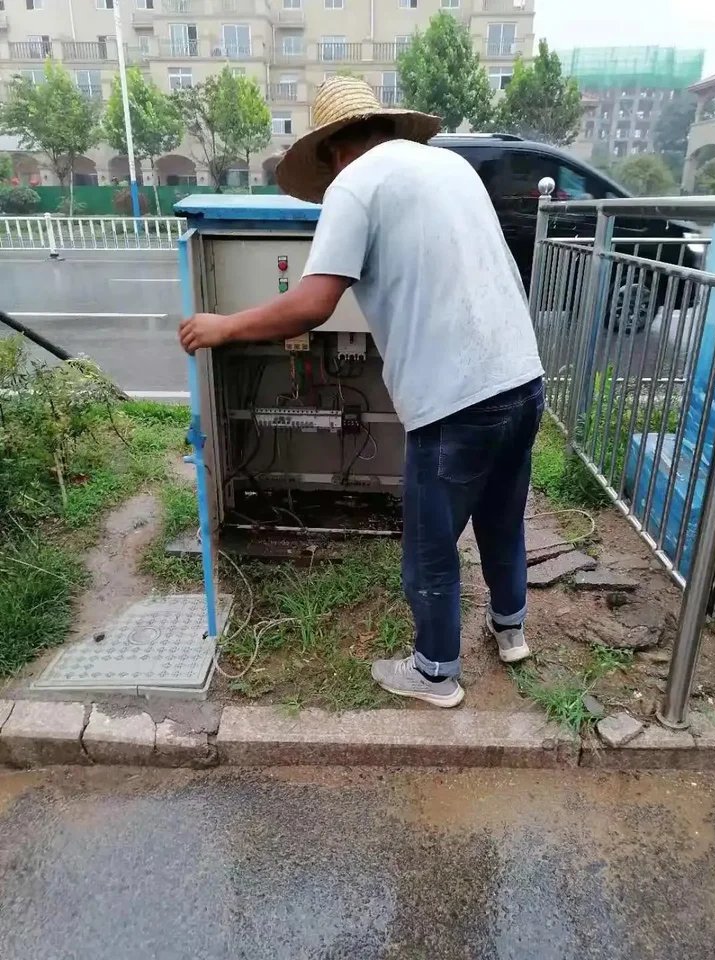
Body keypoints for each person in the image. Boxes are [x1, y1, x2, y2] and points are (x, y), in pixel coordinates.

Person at [179, 77, 544, 709]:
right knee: (501, 516)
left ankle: (436, 673)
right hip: (521, 375)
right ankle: (511, 632)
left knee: (431, 545)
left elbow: (314, 304)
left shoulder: (355, 183)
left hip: (453, 399)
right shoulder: (449, 166)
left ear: (331, 152)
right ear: (385, 127)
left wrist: (224, 327)